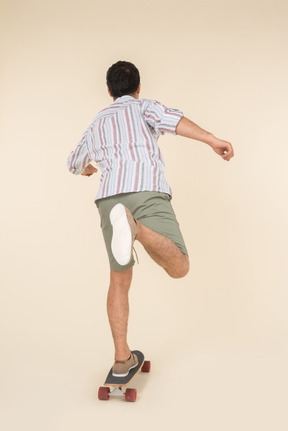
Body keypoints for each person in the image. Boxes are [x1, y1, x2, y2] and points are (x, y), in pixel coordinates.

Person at [67, 60, 234, 377]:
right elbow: (173, 121)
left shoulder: (96, 123)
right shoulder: (145, 107)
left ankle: (121, 360)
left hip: (108, 198)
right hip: (145, 191)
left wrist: (91, 169)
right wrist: (212, 139)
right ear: (138, 87)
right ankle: (135, 228)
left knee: (119, 279)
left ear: (108, 91)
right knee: (179, 266)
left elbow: (75, 163)